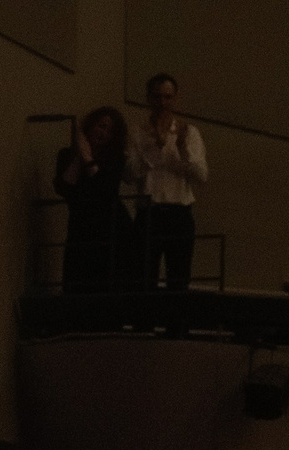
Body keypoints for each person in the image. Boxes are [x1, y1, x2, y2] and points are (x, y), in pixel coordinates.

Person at [128, 72, 207, 292]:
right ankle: (143, 325)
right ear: (148, 99)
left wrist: (182, 150)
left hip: (179, 214)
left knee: (179, 280)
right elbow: (130, 175)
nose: (162, 103)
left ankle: (177, 327)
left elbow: (202, 176)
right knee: (143, 279)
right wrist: (156, 147)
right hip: (149, 214)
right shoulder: (137, 133)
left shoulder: (189, 133)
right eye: (157, 97)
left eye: (167, 97)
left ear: (175, 98)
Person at [54, 106, 133, 293]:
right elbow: (64, 187)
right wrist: (80, 155)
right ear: (90, 125)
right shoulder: (66, 154)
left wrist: (89, 159)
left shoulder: (115, 159)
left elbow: (105, 189)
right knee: (75, 284)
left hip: (110, 231)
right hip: (80, 229)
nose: (103, 133)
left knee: (105, 288)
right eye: (101, 126)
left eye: (109, 131)